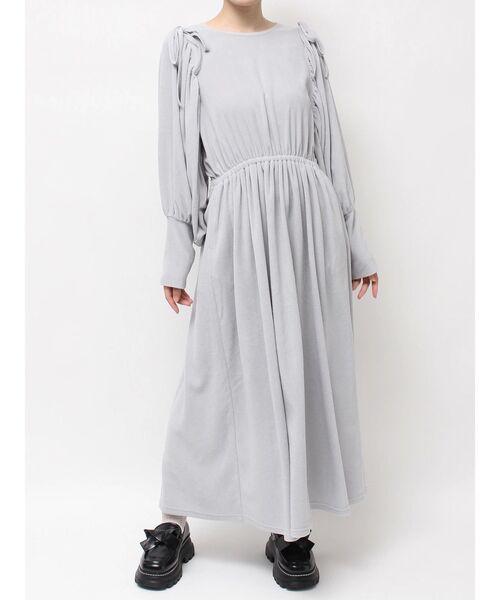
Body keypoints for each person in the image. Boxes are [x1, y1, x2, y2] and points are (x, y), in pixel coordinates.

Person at [135, 0, 378, 592]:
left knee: (297, 373)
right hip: (236, 224)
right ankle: (174, 520)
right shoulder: (189, 48)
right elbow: (178, 155)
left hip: (309, 228)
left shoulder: (302, 46)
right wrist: (178, 252)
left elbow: (329, 149)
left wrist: (353, 244)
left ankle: (288, 528)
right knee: (212, 375)